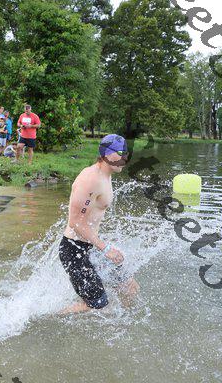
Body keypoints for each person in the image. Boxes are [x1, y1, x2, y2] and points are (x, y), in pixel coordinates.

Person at [59, 134, 139, 314]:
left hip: (90, 246)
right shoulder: (91, 179)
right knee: (96, 304)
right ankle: (50, 318)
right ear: (106, 155)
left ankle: (122, 324)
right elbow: (75, 222)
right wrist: (106, 248)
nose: (125, 158)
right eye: (120, 153)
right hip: (74, 250)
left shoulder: (106, 174)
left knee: (130, 287)